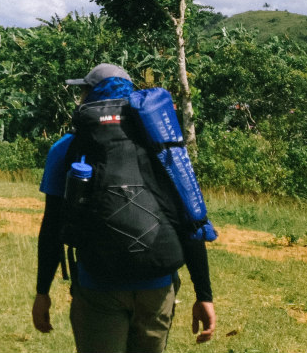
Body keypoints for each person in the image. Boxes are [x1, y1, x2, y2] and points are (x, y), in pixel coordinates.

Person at [31, 63, 216, 353]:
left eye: (83, 91)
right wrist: (204, 294)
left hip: (98, 285)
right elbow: (189, 217)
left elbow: (53, 225)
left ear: (90, 96)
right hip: (157, 285)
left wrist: (42, 292)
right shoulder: (163, 147)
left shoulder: (66, 147)